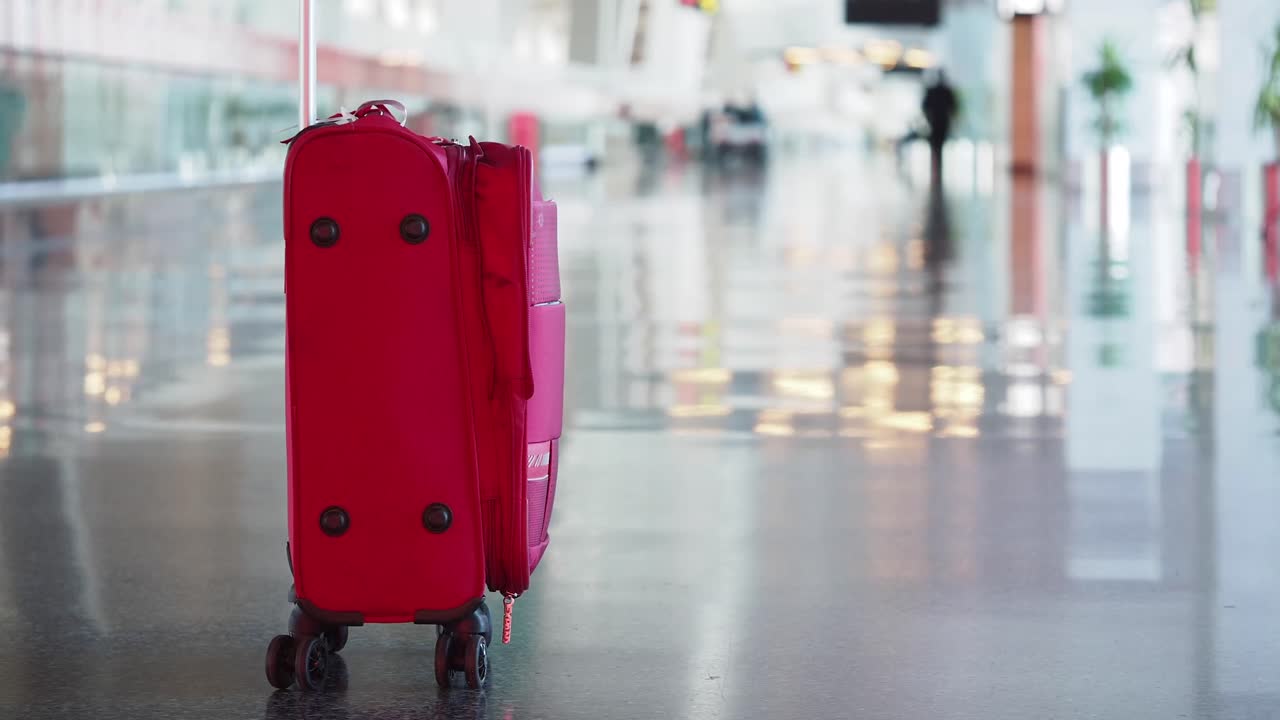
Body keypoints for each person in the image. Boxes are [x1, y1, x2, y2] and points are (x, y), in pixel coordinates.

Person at [921, 69, 958, 183]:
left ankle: (937, 170)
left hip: (939, 123)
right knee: (936, 146)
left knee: (937, 147)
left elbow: (953, 107)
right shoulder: (938, 91)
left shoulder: (938, 91)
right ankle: (937, 169)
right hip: (937, 123)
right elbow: (953, 107)